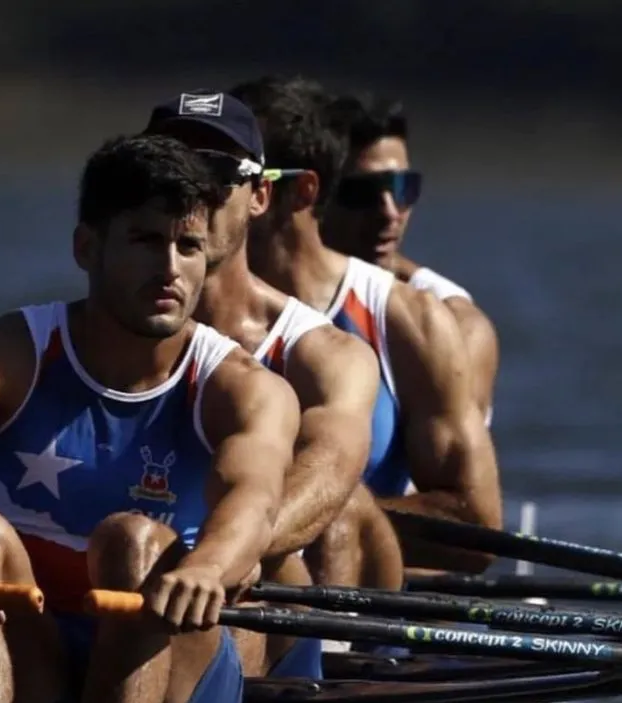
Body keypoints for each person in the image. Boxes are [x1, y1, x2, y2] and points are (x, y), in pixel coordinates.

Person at [0, 134, 301, 703]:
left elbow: (256, 500)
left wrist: (209, 568)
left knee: (133, 541)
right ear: (87, 248)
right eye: (143, 240)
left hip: (173, 685)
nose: (170, 268)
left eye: (188, 246)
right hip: (35, 663)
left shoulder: (244, 388)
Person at [229, 76, 502, 579]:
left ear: (304, 190)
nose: (388, 213)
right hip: (236, 573)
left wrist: (315, 511)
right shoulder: (185, 300)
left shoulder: (420, 320)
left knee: (341, 512)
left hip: (354, 589)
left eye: (226, 178)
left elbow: (476, 526)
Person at [143, 91, 401, 595]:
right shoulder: (73, 336)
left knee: (348, 504)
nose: (189, 193)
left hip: (257, 587)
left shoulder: (326, 355)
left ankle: (330, 666)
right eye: (167, 172)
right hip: (131, 563)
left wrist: (218, 556)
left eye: (215, 173)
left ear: (260, 196)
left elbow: (330, 468)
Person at [322, 92, 498, 425]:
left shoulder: (456, 323)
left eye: (403, 187)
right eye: (364, 193)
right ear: (312, 194)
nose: (390, 213)